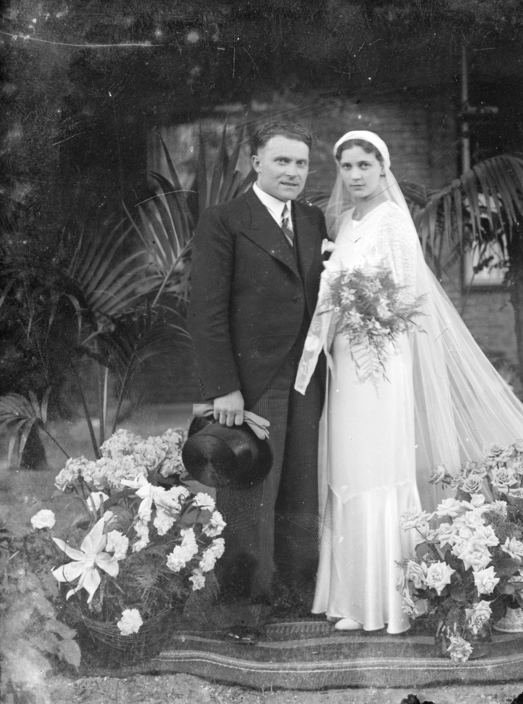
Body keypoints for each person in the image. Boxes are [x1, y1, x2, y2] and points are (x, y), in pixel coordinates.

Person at [294, 130, 523, 632]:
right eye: (347, 167)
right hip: (347, 359)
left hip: (380, 358)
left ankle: (386, 601)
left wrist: (364, 307)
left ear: (383, 168)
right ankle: (351, 598)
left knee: (377, 468)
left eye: (364, 165)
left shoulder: (393, 220)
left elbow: (405, 296)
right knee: (348, 469)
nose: (355, 175)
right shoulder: (347, 222)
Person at [188, 120, 327, 639]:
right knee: (248, 488)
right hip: (251, 381)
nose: (292, 171)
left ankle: (293, 595)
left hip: (307, 375)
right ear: (256, 163)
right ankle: (241, 609)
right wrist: (223, 386)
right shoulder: (225, 220)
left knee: (300, 487)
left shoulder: (312, 219)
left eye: (301, 163)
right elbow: (206, 310)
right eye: (281, 160)